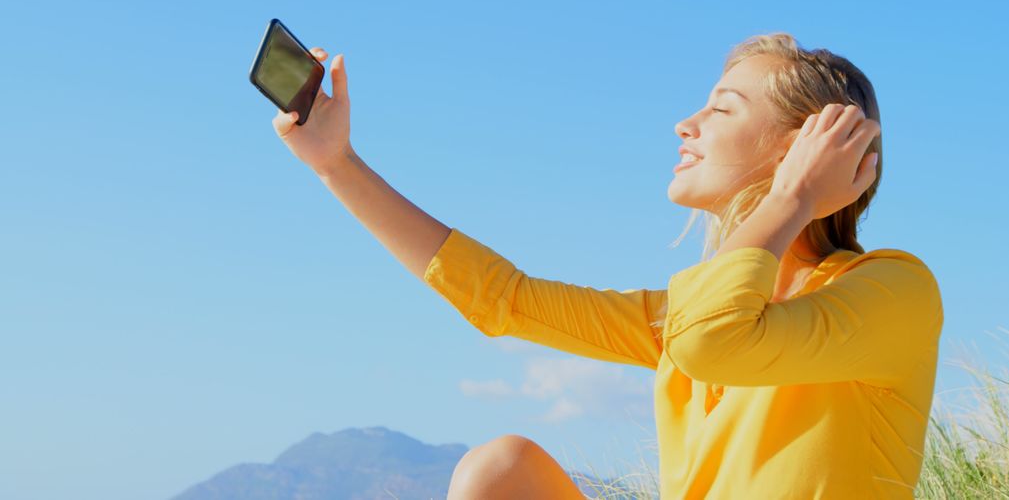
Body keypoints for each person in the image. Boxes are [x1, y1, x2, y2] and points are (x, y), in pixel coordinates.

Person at [271, 32, 943, 500]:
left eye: (721, 108)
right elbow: (503, 299)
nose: (686, 123)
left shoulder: (894, 292)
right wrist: (337, 165)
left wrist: (794, 197)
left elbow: (716, 339)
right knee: (500, 470)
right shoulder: (685, 316)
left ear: (804, 149)